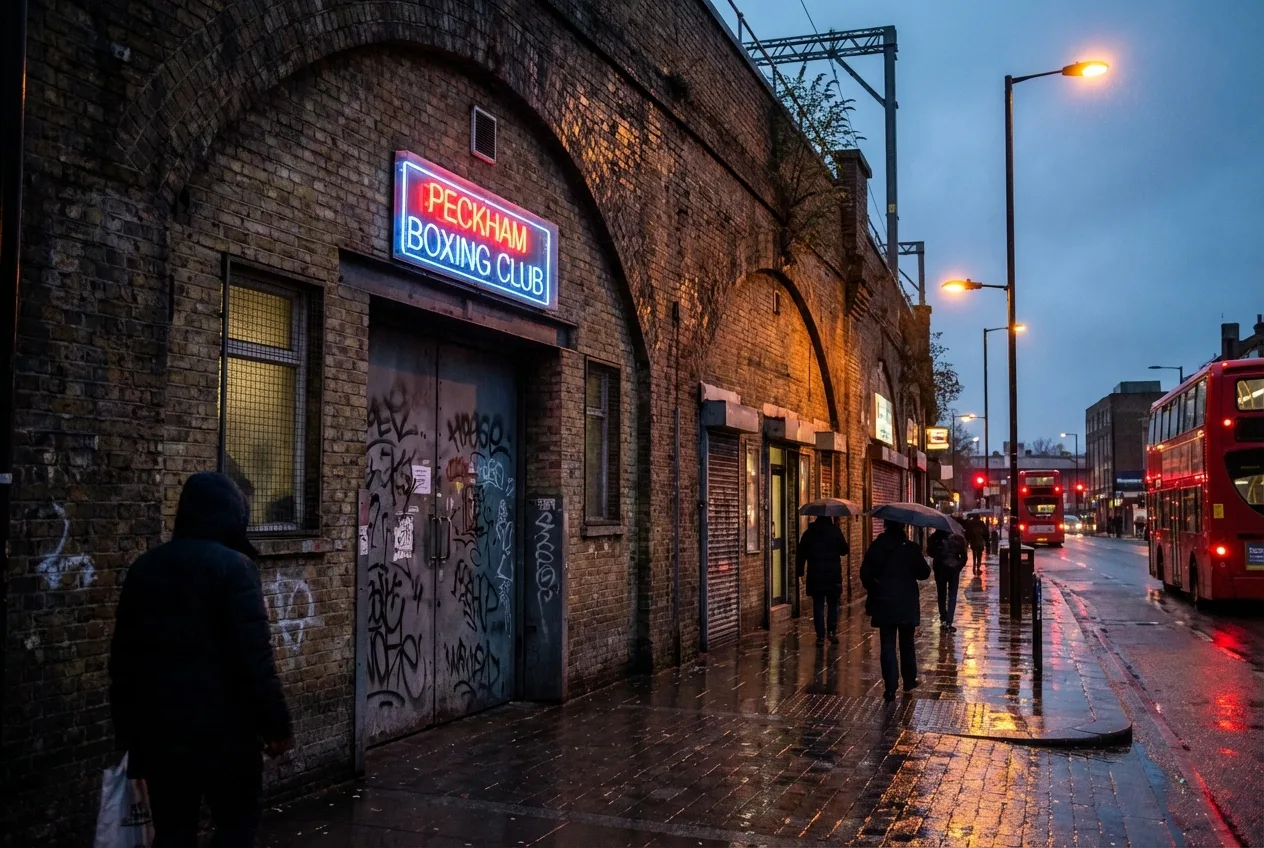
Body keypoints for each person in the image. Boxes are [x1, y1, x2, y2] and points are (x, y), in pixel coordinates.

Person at [109, 472, 293, 847]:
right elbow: (254, 662)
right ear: (233, 515)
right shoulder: (235, 569)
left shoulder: (145, 568)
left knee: (173, 831)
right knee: (235, 827)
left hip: (161, 738)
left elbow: (124, 662)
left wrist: (130, 735)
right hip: (226, 739)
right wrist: (277, 727)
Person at [860, 520, 931, 701]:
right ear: (903, 526)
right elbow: (924, 573)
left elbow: (865, 573)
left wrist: (875, 588)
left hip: (884, 601)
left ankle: (890, 687)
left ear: (885, 525)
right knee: (907, 642)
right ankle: (909, 680)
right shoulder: (911, 548)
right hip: (906, 602)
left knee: (887, 644)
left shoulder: (877, 546)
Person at [797, 515, 850, 645]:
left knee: (818, 605)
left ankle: (820, 636)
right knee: (833, 604)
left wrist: (800, 571)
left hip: (816, 575)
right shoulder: (835, 531)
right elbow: (844, 550)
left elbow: (801, 553)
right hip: (833, 575)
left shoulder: (809, 533)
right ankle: (832, 632)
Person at [928, 527, 968, 630]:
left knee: (941, 594)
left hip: (940, 569)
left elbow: (930, 552)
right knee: (952, 595)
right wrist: (958, 566)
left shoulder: (934, 538)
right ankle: (949, 621)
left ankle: (943, 618)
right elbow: (964, 556)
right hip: (953, 570)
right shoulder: (958, 538)